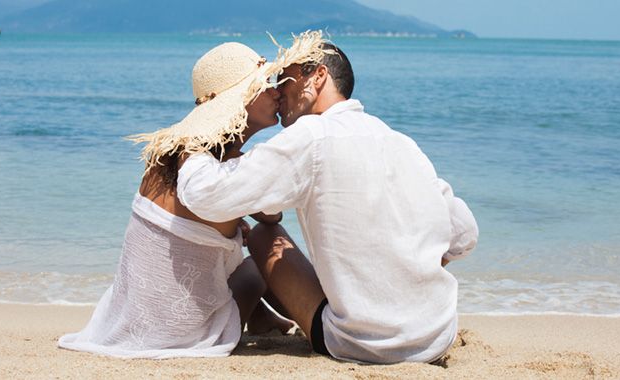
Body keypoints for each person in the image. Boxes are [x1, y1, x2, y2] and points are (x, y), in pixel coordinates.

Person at [176, 32, 479, 364]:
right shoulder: (401, 142)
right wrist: (406, 274)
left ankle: (265, 313)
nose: (278, 91)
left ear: (317, 76)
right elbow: (464, 232)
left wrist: (192, 145)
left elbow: (203, 195)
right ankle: (265, 315)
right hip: (437, 333)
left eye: (285, 79)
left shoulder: (309, 137)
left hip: (362, 344)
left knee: (265, 237)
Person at [57, 39, 327, 358]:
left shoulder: (168, 156)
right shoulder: (229, 169)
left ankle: (264, 318)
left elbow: (188, 219)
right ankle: (319, 323)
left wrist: (233, 220)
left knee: (229, 249)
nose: (276, 91)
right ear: (239, 100)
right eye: (264, 85)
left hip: (132, 320)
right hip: (186, 333)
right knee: (260, 256)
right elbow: (273, 217)